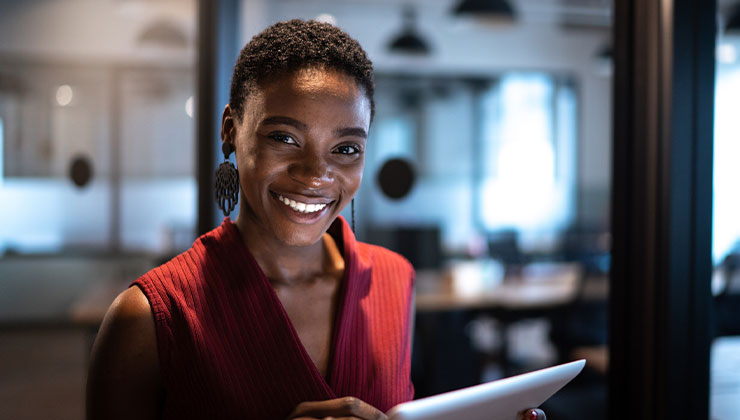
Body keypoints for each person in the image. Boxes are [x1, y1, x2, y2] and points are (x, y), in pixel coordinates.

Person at [86, 19, 544, 420]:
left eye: (346, 149)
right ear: (231, 130)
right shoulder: (150, 318)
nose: (316, 174)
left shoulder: (391, 279)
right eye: (284, 137)